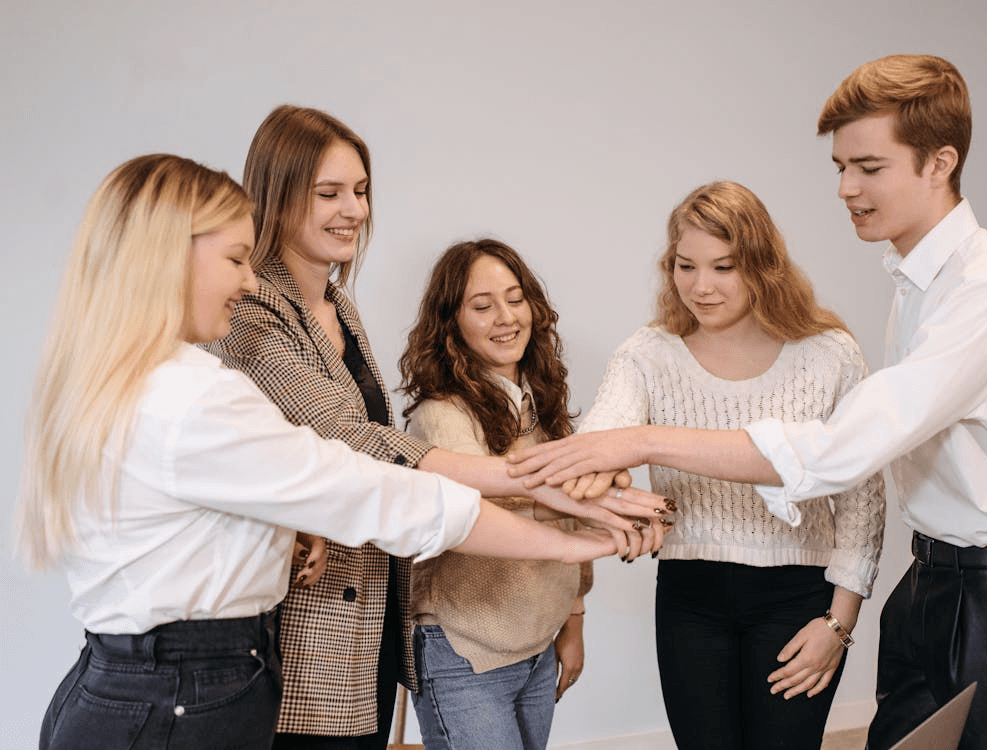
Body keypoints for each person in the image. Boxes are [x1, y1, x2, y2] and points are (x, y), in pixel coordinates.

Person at [508, 55, 987, 750]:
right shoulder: (917, 283)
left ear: (940, 163)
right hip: (935, 581)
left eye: (869, 167)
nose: (847, 188)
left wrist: (639, 442)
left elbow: (839, 451)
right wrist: (601, 477)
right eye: (840, 167)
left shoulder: (986, 290)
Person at [16, 154, 634, 750]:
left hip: (135, 686)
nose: (249, 280)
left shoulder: (130, 379)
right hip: (180, 696)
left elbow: (199, 511)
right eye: (235, 258)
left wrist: (283, 526)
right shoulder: (191, 396)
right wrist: (579, 541)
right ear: (168, 257)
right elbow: (368, 488)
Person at [206, 105, 667, 749]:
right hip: (308, 622)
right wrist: (554, 492)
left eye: (361, 190)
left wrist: (574, 517)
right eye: (329, 193)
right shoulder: (253, 311)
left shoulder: (338, 306)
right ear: (277, 197)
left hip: (371, 613)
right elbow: (354, 441)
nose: (354, 210)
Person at [566, 182, 885, 750]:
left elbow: (862, 498)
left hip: (799, 598)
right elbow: (603, 440)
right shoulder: (646, 354)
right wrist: (614, 492)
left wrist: (840, 623)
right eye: (685, 266)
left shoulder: (829, 354)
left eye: (723, 267)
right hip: (690, 598)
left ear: (762, 265)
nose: (701, 287)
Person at [398, 239, 645, 750]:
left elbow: (570, 517)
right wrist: (606, 514)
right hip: (465, 652)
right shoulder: (441, 414)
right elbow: (483, 521)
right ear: (451, 323)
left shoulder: (539, 405)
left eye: (515, 299)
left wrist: (573, 620)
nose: (506, 318)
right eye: (482, 306)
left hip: (536, 646)